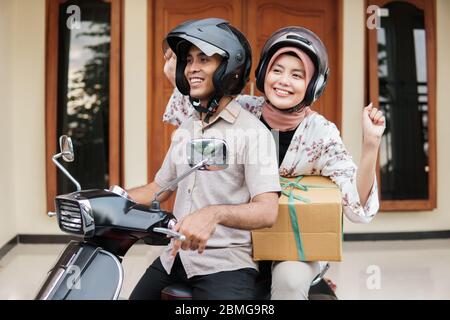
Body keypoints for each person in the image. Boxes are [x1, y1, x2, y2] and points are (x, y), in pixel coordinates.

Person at [162, 26, 385, 300]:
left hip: (289, 241)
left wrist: (371, 146)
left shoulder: (321, 134)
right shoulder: (242, 108)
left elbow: (356, 206)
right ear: (263, 73)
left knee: (289, 280)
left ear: (313, 84)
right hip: (237, 239)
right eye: (277, 70)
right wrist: (180, 73)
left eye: (297, 75)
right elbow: (195, 112)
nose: (283, 81)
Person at [128, 18, 281, 300]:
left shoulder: (253, 132)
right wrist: (110, 198)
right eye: (188, 60)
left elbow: (267, 210)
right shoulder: (188, 128)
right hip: (174, 257)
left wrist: (214, 213)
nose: (192, 68)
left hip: (225, 265)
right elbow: (158, 189)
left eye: (203, 59)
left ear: (228, 69)